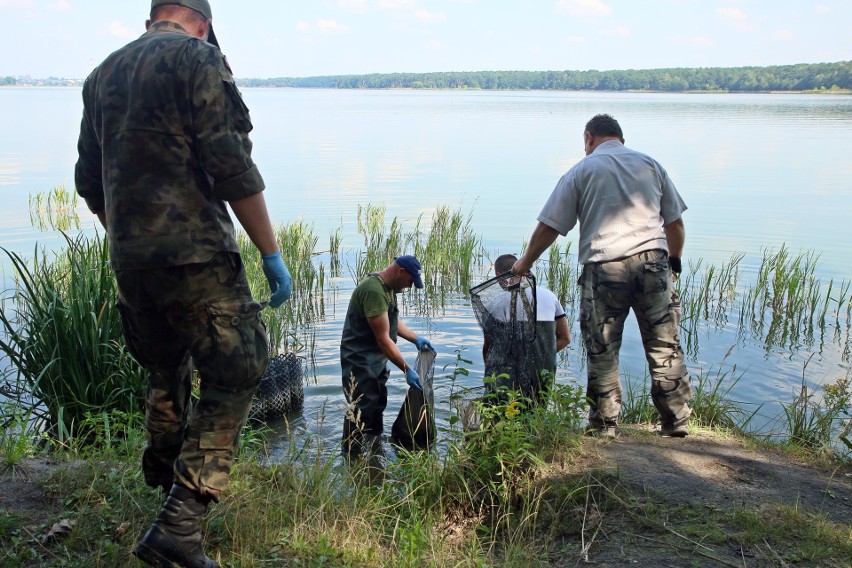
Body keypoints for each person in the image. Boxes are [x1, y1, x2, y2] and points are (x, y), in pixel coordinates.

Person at [74, 2, 291, 566]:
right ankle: (180, 524)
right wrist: (271, 253)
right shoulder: (199, 59)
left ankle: (166, 484)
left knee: (165, 367)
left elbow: (88, 180)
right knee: (241, 366)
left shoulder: (101, 74)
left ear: (153, 20)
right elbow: (231, 165)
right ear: (204, 23)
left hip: (130, 260)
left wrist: (131, 236)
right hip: (197, 256)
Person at [512, 114, 692, 439]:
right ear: (621, 137)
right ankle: (675, 423)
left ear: (589, 137)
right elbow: (675, 224)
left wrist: (524, 263)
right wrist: (673, 263)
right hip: (654, 262)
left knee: (603, 348)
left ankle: (603, 426)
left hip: (604, 266)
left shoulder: (582, 170)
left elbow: (550, 226)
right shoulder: (650, 164)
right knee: (665, 345)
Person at [340, 256, 435, 454]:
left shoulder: (388, 289)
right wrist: (407, 369)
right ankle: (352, 456)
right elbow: (383, 339)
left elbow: (391, 321)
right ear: (401, 271)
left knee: (377, 405)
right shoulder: (374, 290)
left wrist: (415, 339)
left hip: (376, 361)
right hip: (359, 362)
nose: (409, 287)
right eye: (410, 281)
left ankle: (374, 452)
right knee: (360, 410)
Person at [481, 253, 570, 407]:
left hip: (507, 373)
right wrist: (540, 356)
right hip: (542, 371)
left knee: (500, 413)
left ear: (498, 275)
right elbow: (565, 338)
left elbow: (488, 347)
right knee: (535, 412)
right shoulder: (549, 296)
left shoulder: (494, 304)